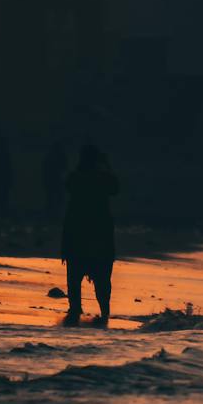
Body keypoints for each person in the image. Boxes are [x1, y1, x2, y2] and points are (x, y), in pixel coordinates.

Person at [59, 138, 120, 327]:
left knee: (74, 278)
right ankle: (104, 314)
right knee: (103, 280)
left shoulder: (76, 176)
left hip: (77, 231)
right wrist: (107, 165)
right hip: (100, 234)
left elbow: (68, 186)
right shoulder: (102, 178)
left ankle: (75, 310)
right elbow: (115, 188)